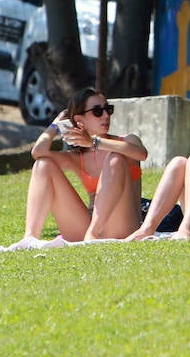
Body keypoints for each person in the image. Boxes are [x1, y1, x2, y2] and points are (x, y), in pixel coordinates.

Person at [24, 87, 149, 242]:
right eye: (97, 111)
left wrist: (95, 142)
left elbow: (141, 154)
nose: (105, 115)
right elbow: (38, 152)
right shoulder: (78, 157)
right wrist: (55, 125)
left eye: (108, 109)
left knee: (115, 159)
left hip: (123, 226)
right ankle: (30, 237)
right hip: (87, 227)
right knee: (43, 165)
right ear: (80, 120)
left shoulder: (127, 141)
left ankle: (93, 234)